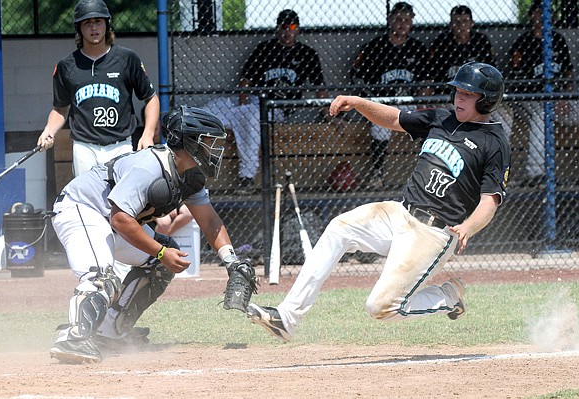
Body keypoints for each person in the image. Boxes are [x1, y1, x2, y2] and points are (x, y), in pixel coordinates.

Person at [246, 62, 511, 342]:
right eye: (458, 91)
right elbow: (394, 119)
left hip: (433, 233)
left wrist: (469, 226)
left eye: (468, 94)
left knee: (381, 307)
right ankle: (287, 317)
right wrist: (359, 102)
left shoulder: (494, 142)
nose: (460, 97)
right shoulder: (441, 119)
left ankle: (447, 296)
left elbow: (490, 200)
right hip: (399, 213)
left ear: (487, 100)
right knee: (339, 228)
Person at [48, 106, 258, 364]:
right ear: (189, 142)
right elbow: (120, 218)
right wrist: (160, 251)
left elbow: (210, 220)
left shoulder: (188, 175)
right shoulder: (149, 167)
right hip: (82, 209)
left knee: (159, 263)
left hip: (110, 221)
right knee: (103, 276)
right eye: (208, 142)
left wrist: (231, 261)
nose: (214, 149)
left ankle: (109, 332)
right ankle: (74, 337)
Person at [203, 9, 329, 195]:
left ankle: (247, 179)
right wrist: (243, 104)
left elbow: (320, 88)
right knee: (209, 109)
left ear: (298, 30)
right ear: (278, 29)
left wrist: (329, 114)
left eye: (292, 27)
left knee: (251, 118)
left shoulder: (307, 54)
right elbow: (245, 82)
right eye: (284, 27)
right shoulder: (265, 49)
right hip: (251, 101)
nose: (288, 31)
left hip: (275, 108)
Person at [37, 0, 160, 177]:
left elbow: (151, 99)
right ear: (79, 28)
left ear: (107, 24)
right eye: (87, 23)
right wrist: (49, 130)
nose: (93, 27)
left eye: (98, 21)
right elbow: (60, 109)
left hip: (121, 145)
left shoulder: (127, 58)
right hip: (84, 147)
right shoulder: (66, 66)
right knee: (88, 202)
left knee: (122, 202)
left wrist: (147, 134)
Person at [350, 2, 430, 188]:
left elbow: (428, 81)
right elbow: (357, 77)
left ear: (411, 23)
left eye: (406, 20)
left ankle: (428, 172)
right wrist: (370, 101)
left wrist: (422, 102)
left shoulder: (417, 48)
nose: (402, 24)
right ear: (389, 20)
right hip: (383, 101)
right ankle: (377, 174)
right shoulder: (375, 47)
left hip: (409, 100)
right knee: (380, 127)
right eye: (398, 19)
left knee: (425, 125)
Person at [507, 0, 579, 186]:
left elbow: (568, 72)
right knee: (541, 114)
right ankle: (535, 175)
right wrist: (550, 98)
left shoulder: (558, 39)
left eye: (546, 13)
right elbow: (518, 83)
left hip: (558, 99)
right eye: (538, 13)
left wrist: (562, 96)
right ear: (531, 16)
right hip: (528, 100)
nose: (542, 17)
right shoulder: (522, 43)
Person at [427, 5, 514, 139]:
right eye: (456, 22)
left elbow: (492, 76)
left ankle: (499, 147)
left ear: (471, 23)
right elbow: (432, 77)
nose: (461, 25)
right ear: (451, 24)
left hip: (480, 96)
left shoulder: (481, 42)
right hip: (452, 96)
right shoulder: (442, 43)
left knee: (504, 113)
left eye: (465, 21)